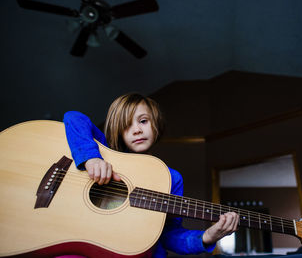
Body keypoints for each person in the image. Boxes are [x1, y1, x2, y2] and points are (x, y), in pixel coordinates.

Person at [63, 93, 239, 258]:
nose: (137, 130)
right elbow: (73, 117)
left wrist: (206, 237)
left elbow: (168, 235)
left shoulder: (171, 178)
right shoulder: (104, 152)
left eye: (143, 121)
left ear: (156, 125)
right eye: (127, 125)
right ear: (118, 130)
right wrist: (91, 158)